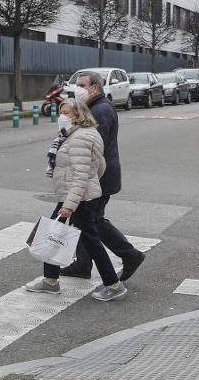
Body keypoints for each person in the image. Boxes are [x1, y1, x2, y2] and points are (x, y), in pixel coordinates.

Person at [24, 98, 126, 302]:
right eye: (61, 111)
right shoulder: (81, 134)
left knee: (89, 241)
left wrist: (70, 205)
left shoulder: (80, 138)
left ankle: (113, 284)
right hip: (75, 194)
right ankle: (50, 280)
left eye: (67, 113)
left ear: (79, 115)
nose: (62, 116)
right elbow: (100, 166)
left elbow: (82, 174)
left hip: (78, 198)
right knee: (53, 234)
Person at [57, 71, 146, 283]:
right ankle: (82, 264)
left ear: (95, 87)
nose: (76, 88)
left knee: (93, 220)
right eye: (76, 84)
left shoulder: (101, 110)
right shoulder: (95, 107)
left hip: (98, 177)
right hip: (95, 176)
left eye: (81, 85)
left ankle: (129, 254)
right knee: (84, 221)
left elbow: (94, 149)